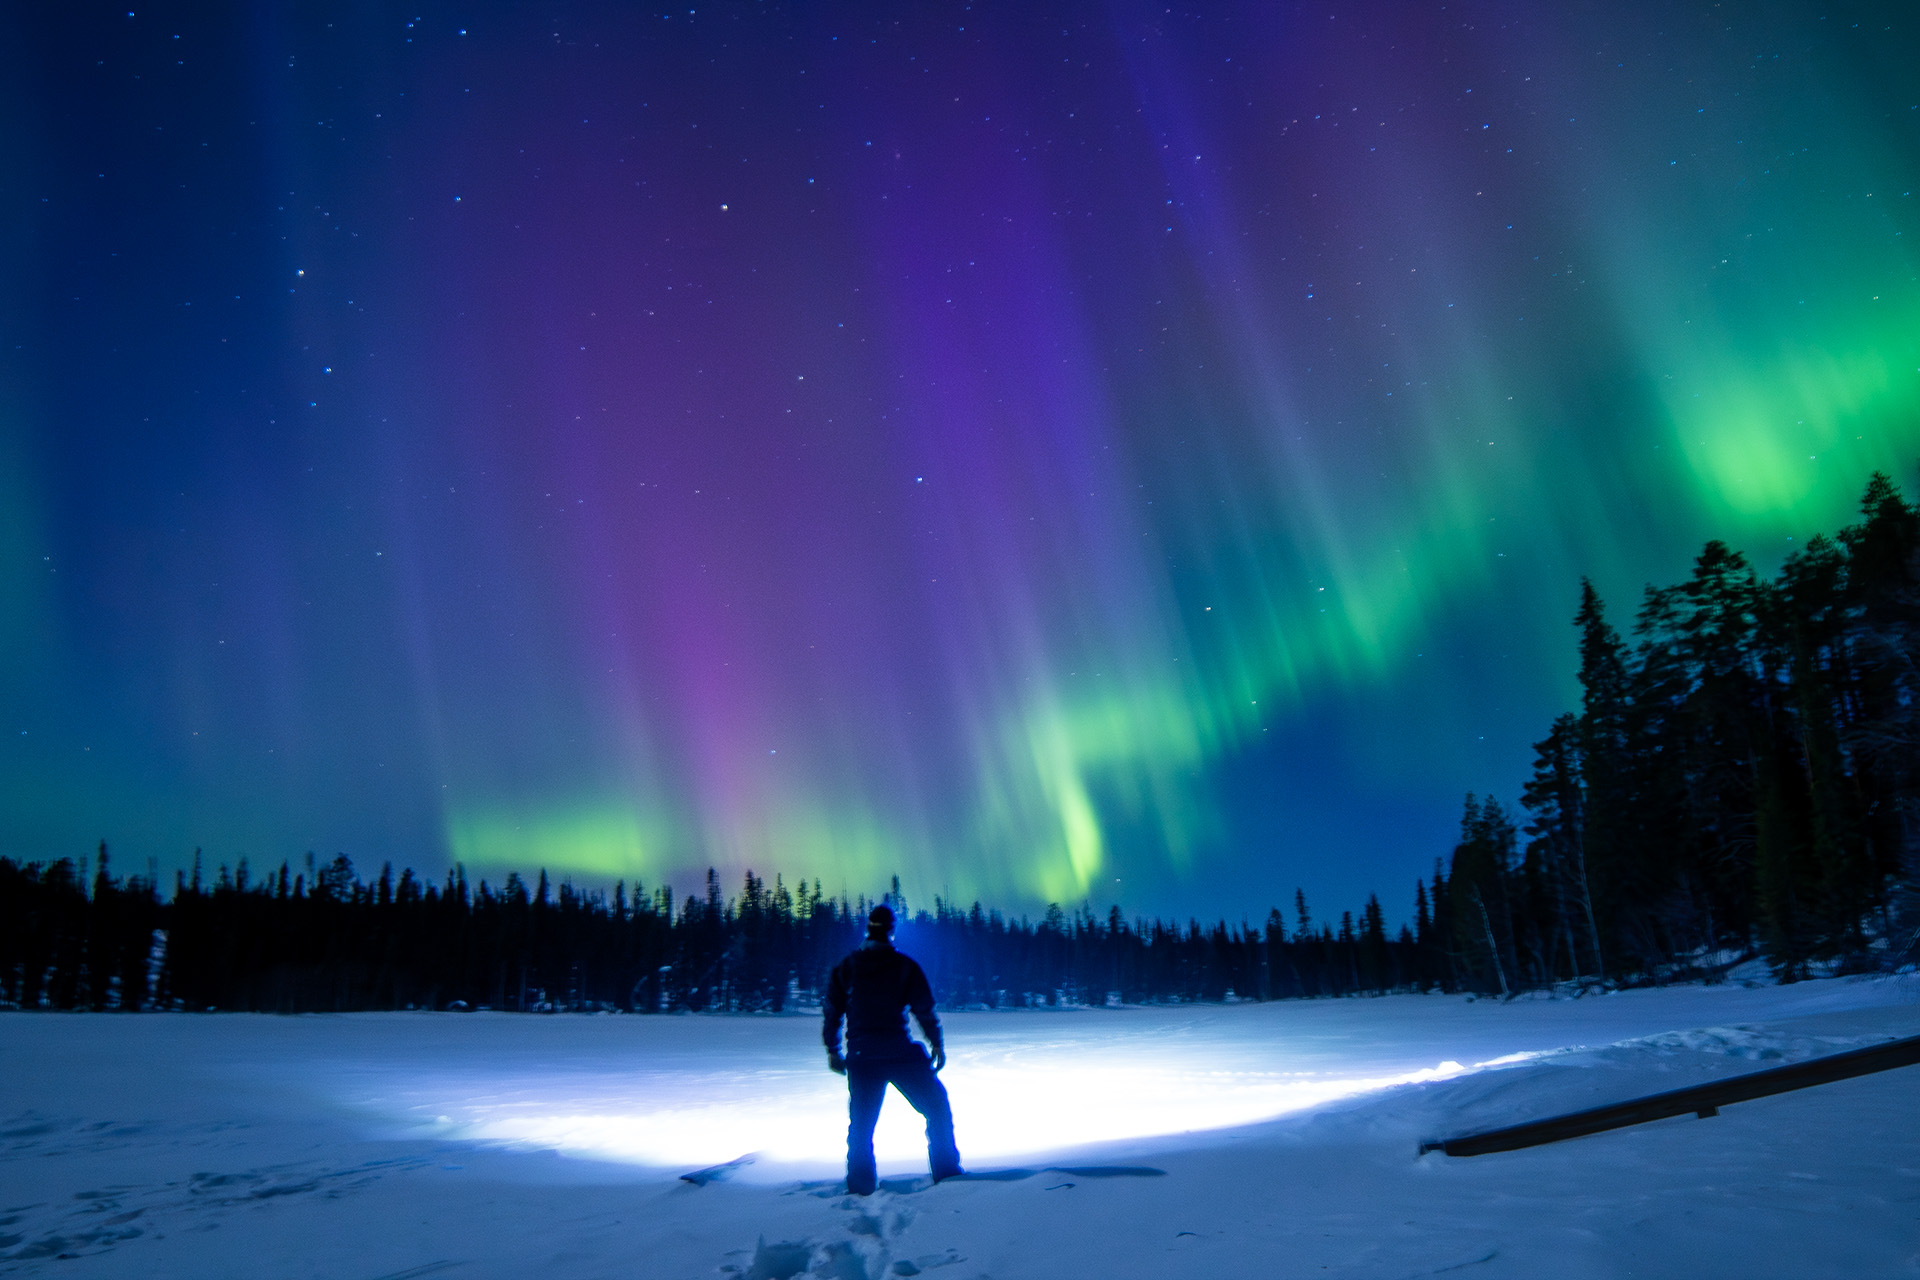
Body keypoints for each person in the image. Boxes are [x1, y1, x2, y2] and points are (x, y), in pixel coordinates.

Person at [822, 903, 963, 1194]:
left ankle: (860, 1188)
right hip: (899, 1054)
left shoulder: (847, 967)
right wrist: (936, 1042)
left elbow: (833, 1010)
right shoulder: (904, 966)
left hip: (862, 1057)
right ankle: (947, 1177)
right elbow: (924, 1009)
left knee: (861, 1126)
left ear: (868, 929)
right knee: (937, 1108)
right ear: (891, 931)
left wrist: (833, 1050)